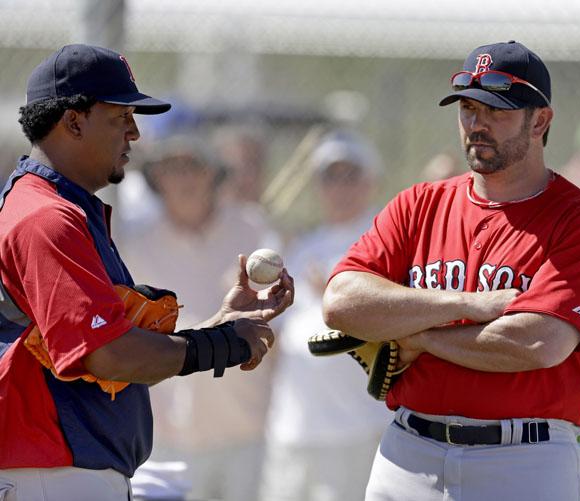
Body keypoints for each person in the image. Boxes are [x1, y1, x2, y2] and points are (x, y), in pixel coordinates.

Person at [322, 40, 580, 501]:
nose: (476, 124)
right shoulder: (419, 204)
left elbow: (537, 342)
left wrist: (419, 337)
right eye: (467, 107)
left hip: (525, 458)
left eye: (496, 110)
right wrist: (470, 304)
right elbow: (342, 302)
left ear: (540, 120)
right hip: (409, 452)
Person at [0, 44, 293, 501]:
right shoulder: (46, 217)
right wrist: (223, 344)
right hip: (50, 471)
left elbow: (115, 352)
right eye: (121, 118)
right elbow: (110, 355)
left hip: (63, 468)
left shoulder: (63, 209)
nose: (135, 133)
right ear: (74, 122)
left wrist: (217, 328)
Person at [120, 133, 282, 501]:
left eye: (195, 166)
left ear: (215, 174)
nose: (185, 178)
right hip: (166, 435)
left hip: (246, 429)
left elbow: (277, 329)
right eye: (172, 168)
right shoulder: (134, 245)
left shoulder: (252, 231)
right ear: (156, 180)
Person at [261, 130, 392, 501]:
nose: (339, 186)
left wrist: (334, 301)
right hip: (292, 427)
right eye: (329, 176)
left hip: (351, 429)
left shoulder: (381, 241)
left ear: (370, 181)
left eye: (349, 174)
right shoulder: (303, 245)